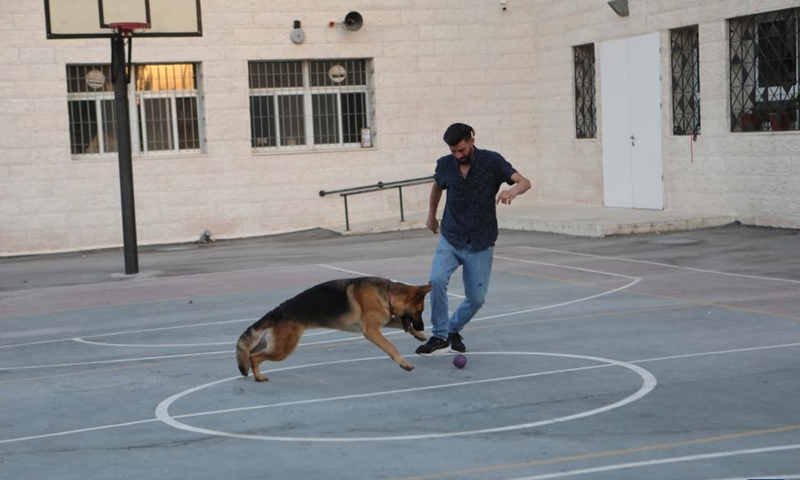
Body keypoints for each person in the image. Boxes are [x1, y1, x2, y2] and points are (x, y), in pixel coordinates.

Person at [416, 123, 531, 356]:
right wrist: (431, 216)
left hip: (481, 241)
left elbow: (524, 181)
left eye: (461, 149)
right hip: (452, 236)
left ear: (472, 140)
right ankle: (439, 336)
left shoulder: (492, 161)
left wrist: (512, 191)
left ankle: (453, 329)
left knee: (476, 299)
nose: (457, 155)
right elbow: (437, 188)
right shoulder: (445, 164)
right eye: (453, 151)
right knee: (436, 279)